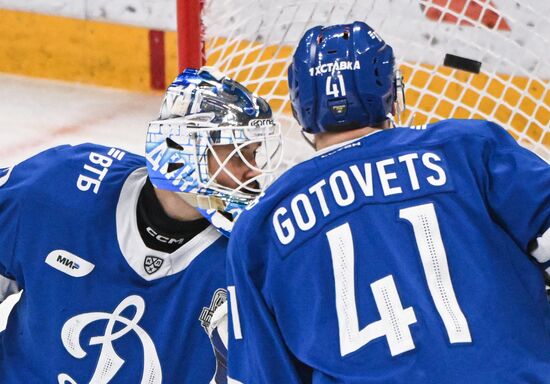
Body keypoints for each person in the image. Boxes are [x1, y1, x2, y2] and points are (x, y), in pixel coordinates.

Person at [225, 21, 550, 383]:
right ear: (389, 92)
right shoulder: (467, 147)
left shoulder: (260, 227)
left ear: (300, 105)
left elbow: (265, 373)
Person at [0, 67, 282, 383]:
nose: (253, 172)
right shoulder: (59, 188)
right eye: (238, 155)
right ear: (183, 151)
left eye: (254, 156)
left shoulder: (252, 254)